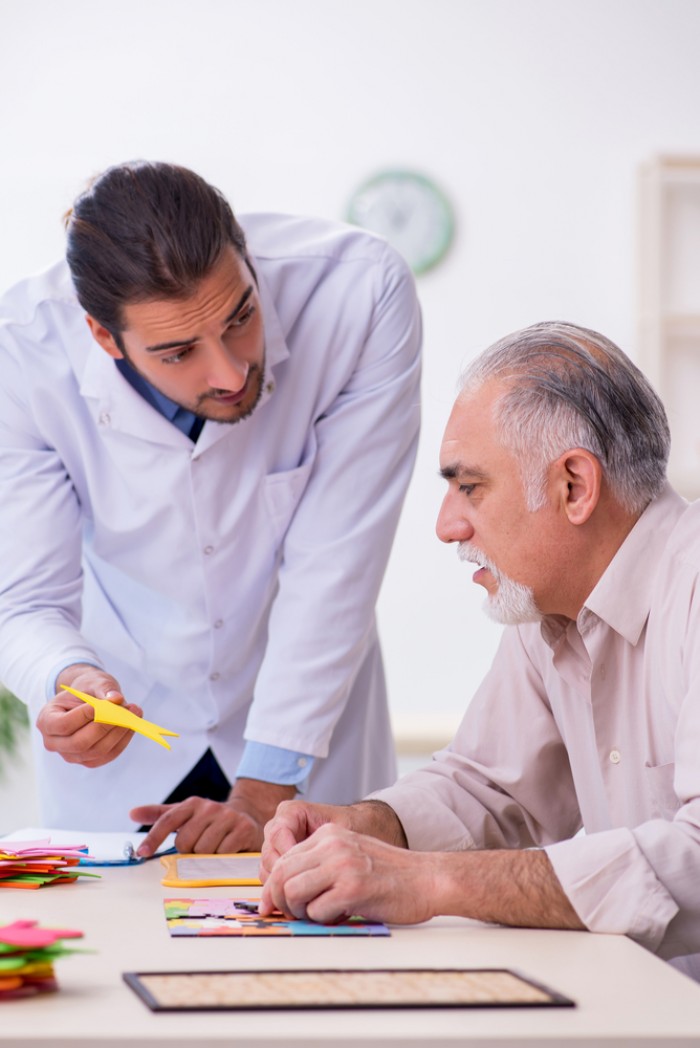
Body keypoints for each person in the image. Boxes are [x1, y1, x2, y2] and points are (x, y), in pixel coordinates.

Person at [259, 320, 700, 981]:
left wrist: (430, 882)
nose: (446, 526)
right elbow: (490, 789)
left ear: (574, 486)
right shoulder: (548, 605)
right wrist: (363, 826)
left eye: (470, 487)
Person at [0, 160, 422, 850]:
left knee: (324, 942)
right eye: (177, 352)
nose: (229, 372)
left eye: (242, 317)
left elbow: (336, 564)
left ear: (248, 263)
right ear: (103, 339)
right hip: (128, 744)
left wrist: (265, 788)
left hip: (303, 737)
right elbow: (25, 603)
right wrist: (66, 677)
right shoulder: (20, 352)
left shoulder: (356, 291)